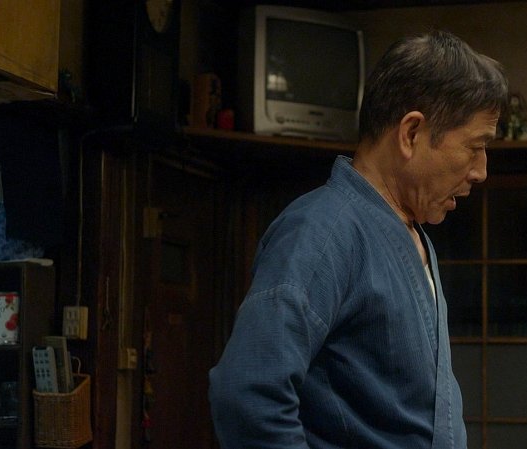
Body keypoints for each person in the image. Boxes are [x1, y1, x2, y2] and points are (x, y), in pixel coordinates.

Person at [208, 30, 509, 449]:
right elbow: (248, 396)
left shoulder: (412, 233)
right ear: (411, 133)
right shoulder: (321, 231)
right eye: (475, 147)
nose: (481, 171)